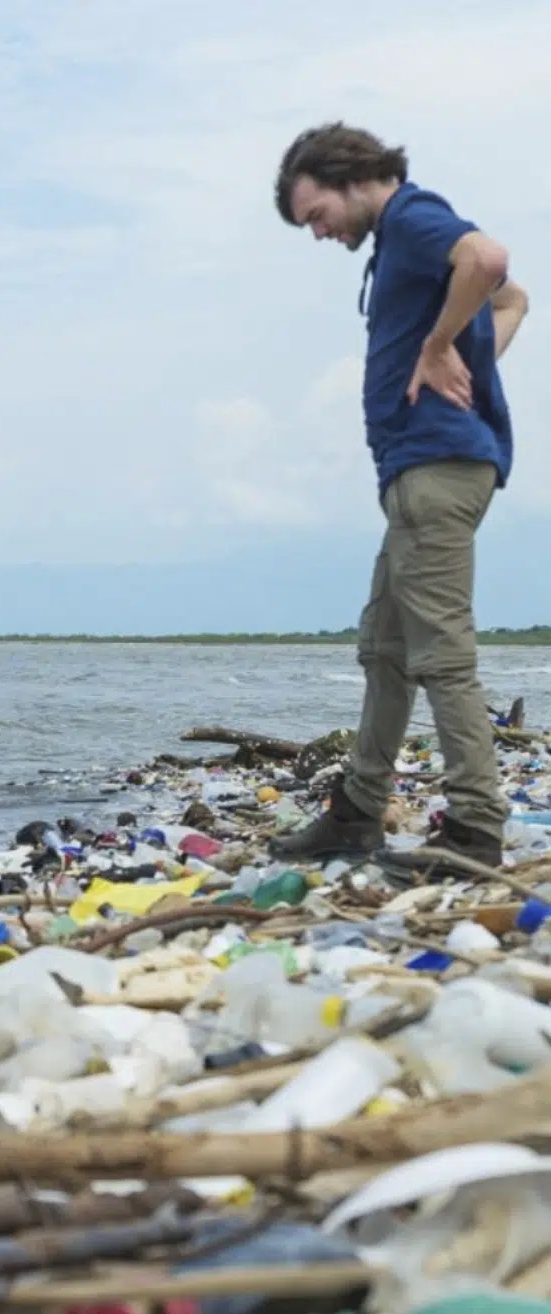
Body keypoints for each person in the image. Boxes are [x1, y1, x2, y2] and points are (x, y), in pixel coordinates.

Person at [268, 122, 527, 868]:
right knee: (385, 650)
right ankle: (356, 812)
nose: (318, 233)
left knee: (440, 654)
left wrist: (441, 346)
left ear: (351, 178)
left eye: (316, 215)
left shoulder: (410, 218)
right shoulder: (403, 240)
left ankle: (476, 829)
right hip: (424, 470)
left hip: (435, 471)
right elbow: (513, 300)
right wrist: (464, 353)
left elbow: (489, 261)